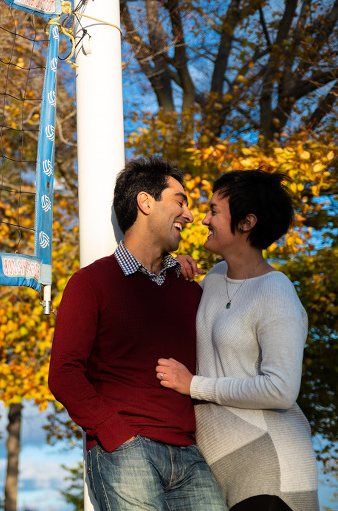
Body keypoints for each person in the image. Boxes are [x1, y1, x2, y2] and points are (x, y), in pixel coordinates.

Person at [49, 156, 226, 510]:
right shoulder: (90, 283)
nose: (189, 215)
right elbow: (64, 375)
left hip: (191, 456)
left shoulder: (191, 290)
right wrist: (116, 434)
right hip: (125, 450)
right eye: (180, 201)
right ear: (146, 202)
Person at [156, 170, 319, 511]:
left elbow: (281, 389)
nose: (204, 219)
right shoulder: (214, 277)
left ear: (246, 223)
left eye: (214, 211)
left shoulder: (277, 292)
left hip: (270, 471)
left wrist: (194, 385)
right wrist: (172, 266)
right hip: (226, 467)